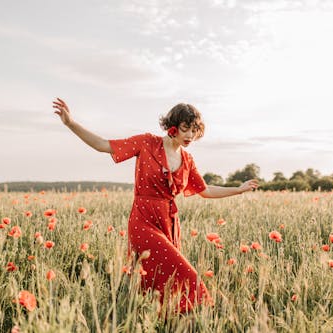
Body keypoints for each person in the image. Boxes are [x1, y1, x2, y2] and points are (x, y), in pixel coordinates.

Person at [53, 98, 258, 313]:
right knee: (185, 274)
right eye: (185, 128)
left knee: (160, 279)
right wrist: (70, 123)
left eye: (194, 130)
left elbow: (205, 190)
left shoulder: (187, 160)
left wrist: (238, 189)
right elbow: (103, 145)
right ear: (173, 126)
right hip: (143, 220)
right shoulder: (147, 143)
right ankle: (206, 312)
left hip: (168, 223)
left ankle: (163, 319)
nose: (189, 136)